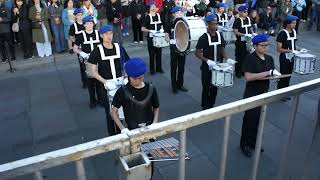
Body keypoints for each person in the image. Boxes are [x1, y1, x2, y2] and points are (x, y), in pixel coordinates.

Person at [240, 34, 281, 157]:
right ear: (255, 46)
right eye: (263, 46)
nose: (266, 48)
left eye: (267, 45)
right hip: (252, 94)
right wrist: (268, 72)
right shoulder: (250, 58)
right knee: (249, 120)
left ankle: (253, 142)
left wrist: (274, 77)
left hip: (264, 92)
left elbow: (270, 74)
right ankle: (244, 144)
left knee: (258, 120)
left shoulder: (269, 58)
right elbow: (248, 77)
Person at [88, 25, 130, 135]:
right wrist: (105, 82)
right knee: (110, 111)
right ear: (101, 35)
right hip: (105, 85)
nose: (109, 36)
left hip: (120, 83)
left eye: (110, 33)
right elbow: (92, 71)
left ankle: (122, 131)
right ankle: (112, 135)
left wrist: (126, 77)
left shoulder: (119, 47)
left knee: (122, 109)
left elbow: (126, 65)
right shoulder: (97, 51)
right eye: (106, 34)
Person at [111, 57, 160, 132]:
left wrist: (155, 123)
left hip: (149, 128)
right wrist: (122, 128)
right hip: (132, 130)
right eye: (134, 78)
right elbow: (114, 112)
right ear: (128, 76)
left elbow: (156, 107)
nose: (137, 81)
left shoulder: (151, 88)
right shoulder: (122, 91)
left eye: (140, 78)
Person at [195, 14, 228, 110]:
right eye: (213, 24)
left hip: (218, 66)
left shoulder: (219, 35)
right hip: (206, 67)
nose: (215, 26)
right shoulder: (203, 38)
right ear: (208, 25)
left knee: (215, 87)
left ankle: (211, 105)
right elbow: (197, 53)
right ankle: (204, 107)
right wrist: (207, 60)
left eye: (216, 24)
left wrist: (227, 58)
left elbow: (222, 48)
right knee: (206, 88)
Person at [73, 16, 102, 108]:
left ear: (93, 24)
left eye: (91, 23)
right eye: (87, 24)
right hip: (87, 60)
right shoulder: (81, 35)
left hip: (98, 60)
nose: (89, 25)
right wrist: (82, 53)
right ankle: (92, 100)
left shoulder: (98, 33)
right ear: (84, 25)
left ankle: (101, 100)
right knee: (90, 82)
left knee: (99, 81)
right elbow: (75, 48)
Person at [276, 15, 298, 101]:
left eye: (295, 23)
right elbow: (278, 49)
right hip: (284, 58)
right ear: (288, 24)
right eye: (293, 23)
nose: (295, 25)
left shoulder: (294, 32)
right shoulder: (282, 33)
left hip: (292, 57)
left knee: (288, 76)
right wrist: (290, 51)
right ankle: (280, 94)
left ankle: (285, 93)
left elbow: (293, 45)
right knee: (283, 76)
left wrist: (299, 50)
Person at [166, 6, 188, 94]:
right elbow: (166, 35)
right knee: (174, 68)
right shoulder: (170, 23)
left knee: (181, 68)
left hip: (183, 47)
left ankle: (180, 84)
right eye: (178, 13)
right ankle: (174, 86)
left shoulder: (184, 22)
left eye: (181, 12)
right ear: (173, 14)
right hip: (174, 48)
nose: (180, 14)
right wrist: (171, 40)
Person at [142, 1, 164, 75]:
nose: (154, 8)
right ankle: (152, 70)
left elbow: (161, 24)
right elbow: (142, 28)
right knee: (152, 54)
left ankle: (159, 68)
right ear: (149, 8)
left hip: (159, 37)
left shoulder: (158, 15)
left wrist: (161, 29)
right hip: (151, 38)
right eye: (152, 7)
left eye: (155, 6)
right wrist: (150, 30)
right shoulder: (147, 17)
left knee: (159, 53)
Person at [233, 5, 253, 78]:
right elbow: (235, 32)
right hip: (240, 42)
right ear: (240, 12)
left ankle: (244, 71)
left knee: (246, 56)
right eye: (244, 12)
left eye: (247, 11)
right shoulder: (237, 20)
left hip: (247, 40)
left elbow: (250, 28)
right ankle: (238, 72)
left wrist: (252, 34)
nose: (246, 13)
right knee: (239, 57)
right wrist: (244, 34)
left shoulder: (248, 19)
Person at [69, 8, 86, 87]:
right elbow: (71, 37)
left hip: (88, 47)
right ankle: (84, 81)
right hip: (80, 49)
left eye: (81, 15)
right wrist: (76, 45)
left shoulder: (86, 23)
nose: (80, 16)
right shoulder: (73, 26)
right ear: (75, 16)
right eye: (78, 15)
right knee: (83, 66)